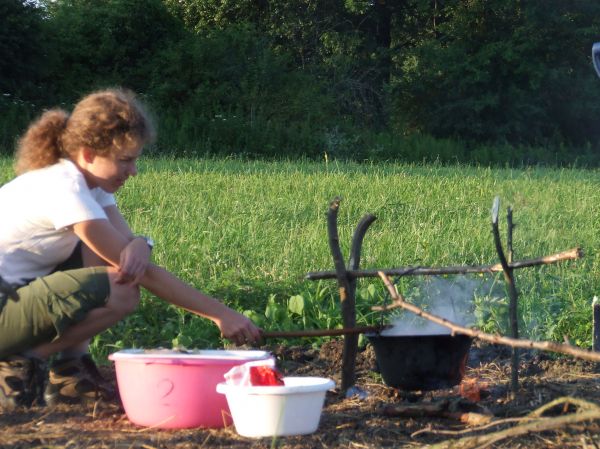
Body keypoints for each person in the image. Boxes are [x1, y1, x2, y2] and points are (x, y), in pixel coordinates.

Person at [0, 88, 262, 409]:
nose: (134, 171)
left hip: (14, 300)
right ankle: (21, 361)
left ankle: (70, 371)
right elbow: (139, 273)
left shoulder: (89, 185)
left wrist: (142, 242)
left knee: (104, 266)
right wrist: (220, 314)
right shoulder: (64, 188)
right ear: (88, 153)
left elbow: (126, 249)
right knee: (121, 290)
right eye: (125, 160)